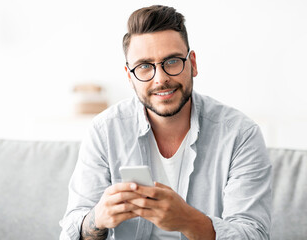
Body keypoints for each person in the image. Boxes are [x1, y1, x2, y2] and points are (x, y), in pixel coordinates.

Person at [60, 5, 272, 240]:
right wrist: (97, 218)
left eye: (171, 61)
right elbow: (71, 230)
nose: (160, 79)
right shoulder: (104, 131)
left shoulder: (240, 135)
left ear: (193, 63)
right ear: (130, 77)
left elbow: (253, 234)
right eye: (144, 66)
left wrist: (188, 220)